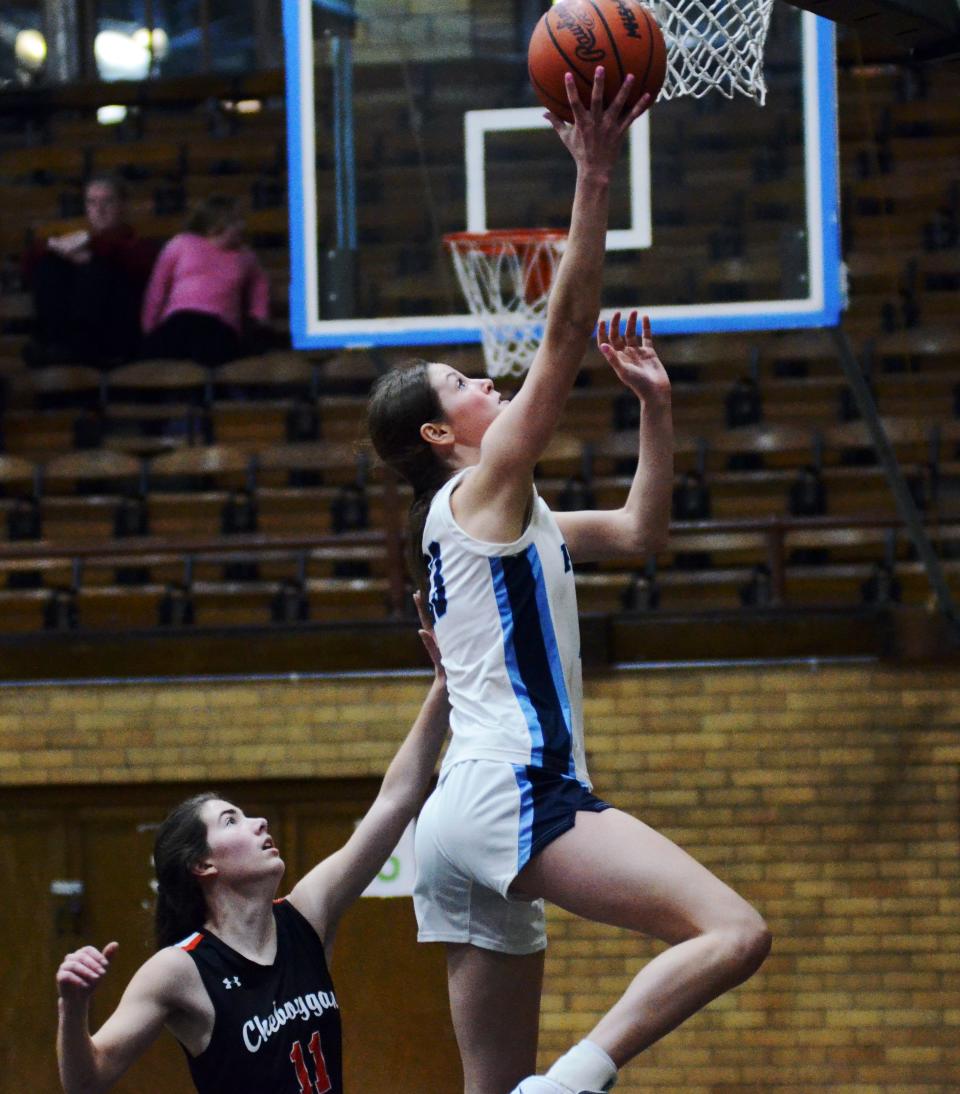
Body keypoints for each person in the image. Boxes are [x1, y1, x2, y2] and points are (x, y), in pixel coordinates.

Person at [367, 70, 770, 1094]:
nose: (487, 383)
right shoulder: (480, 492)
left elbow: (639, 532)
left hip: (455, 820)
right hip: (515, 785)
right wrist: (593, 173)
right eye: (465, 386)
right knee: (733, 928)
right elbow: (559, 337)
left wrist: (658, 412)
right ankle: (578, 1077)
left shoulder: (500, 520)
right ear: (436, 434)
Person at [55, 598, 449, 1094]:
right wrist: (73, 1008)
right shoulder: (179, 969)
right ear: (201, 862)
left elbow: (395, 801)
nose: (259, 822)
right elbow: (85, 1082)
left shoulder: (307, 916)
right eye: (232, 820)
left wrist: (444, 686)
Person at [22, 174, 156, 367]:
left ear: (123, 206)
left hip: (117, 330)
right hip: (74, 333)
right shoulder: (80, 242)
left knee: (96, 269)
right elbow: (29, 260)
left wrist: (88, 251)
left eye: (107, 201)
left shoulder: (140, 246)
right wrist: (54, 245)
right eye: (92, 202)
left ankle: (72, 348)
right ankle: (56, 344)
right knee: (49, 266)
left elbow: (127, 260)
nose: (99, 210)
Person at [141, 194, 273, 366]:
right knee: (156, 353)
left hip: (220, 325)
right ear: (216, 226)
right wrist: (149, 326)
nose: (242, 226)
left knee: (210, 350)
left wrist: (259, 317)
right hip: (181, 318)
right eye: (235, 222)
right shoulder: (182, 243)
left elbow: (259, 284)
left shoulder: (245, 256)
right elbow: (157, 286)